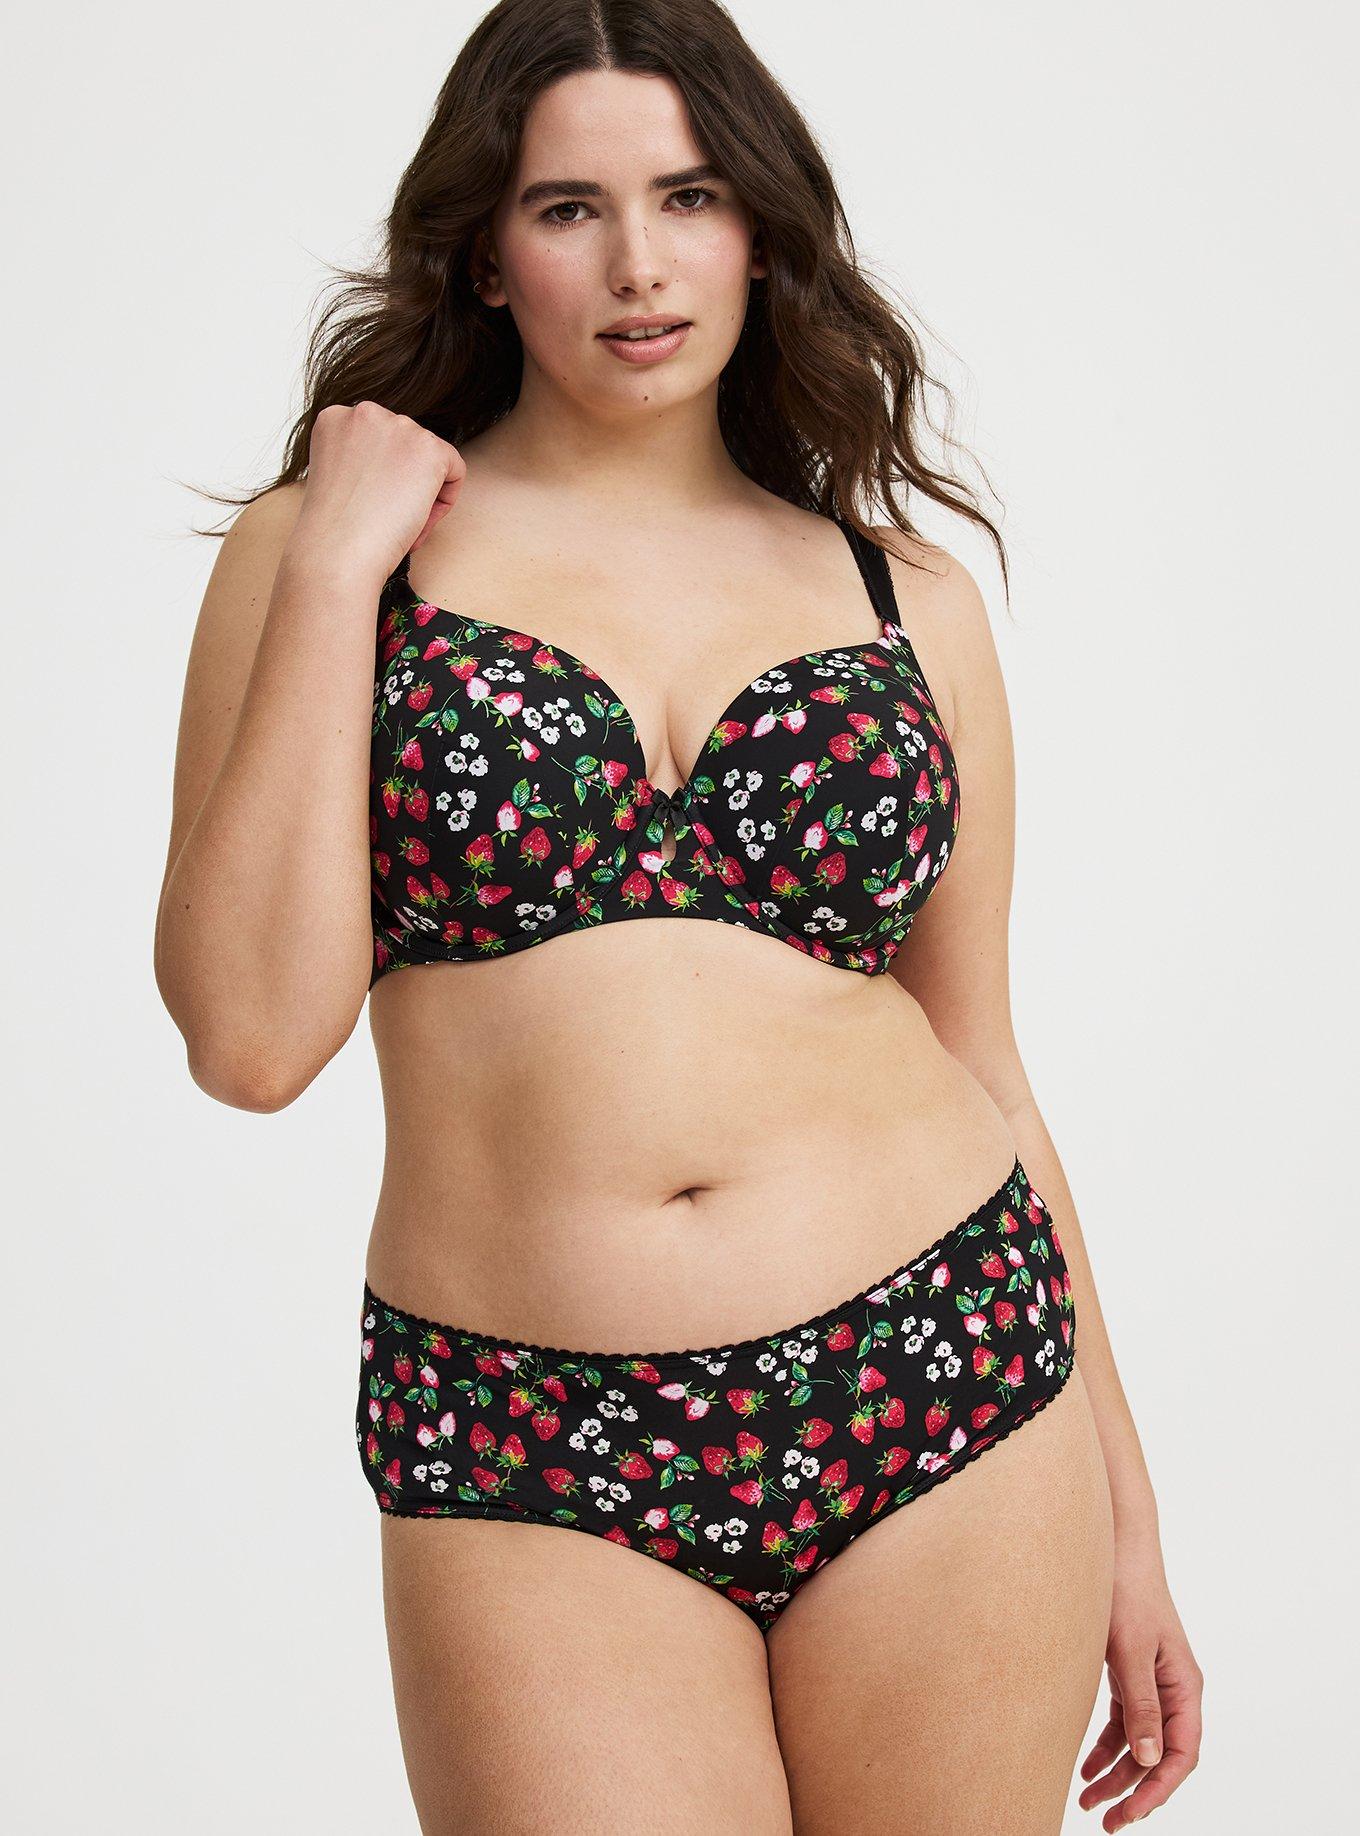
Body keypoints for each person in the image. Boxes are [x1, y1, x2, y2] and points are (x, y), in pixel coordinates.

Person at [154, 3, 1202, 1830]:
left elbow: (983, 1057)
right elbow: (249, 1041)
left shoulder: (903, 595)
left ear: (760, 231)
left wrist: (1129, 1512)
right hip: (529, 1437)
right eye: (570, 207)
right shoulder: (330, 555)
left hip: (945, 1376)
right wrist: (335, 561)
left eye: (691, 196)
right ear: (487, 251)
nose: (639, 263)